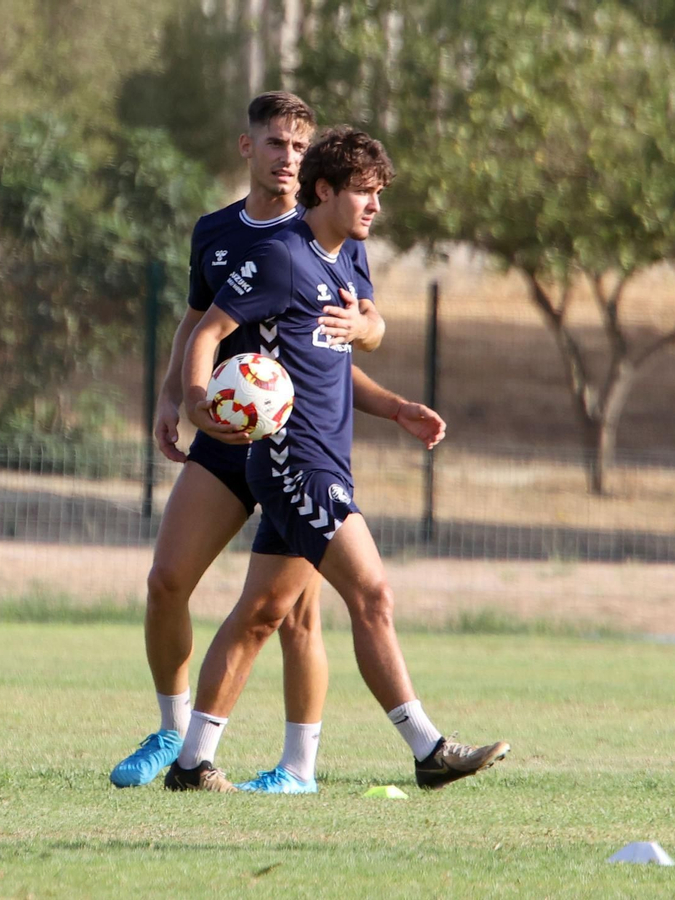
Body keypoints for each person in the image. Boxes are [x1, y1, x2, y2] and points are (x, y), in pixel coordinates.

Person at [110, 92, 446, 794]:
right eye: (276, 144)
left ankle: (296, 767)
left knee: (295, 614)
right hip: (226, 433)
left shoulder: (331, 231)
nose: (288, 158)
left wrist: (373, 341)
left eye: (300, 147)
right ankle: (175, 734)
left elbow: (358, 329)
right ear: (248, 146)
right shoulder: (216, 233)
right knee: (166, 581)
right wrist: (178, 397)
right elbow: (196, 323)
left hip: (294, 443)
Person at [173, 126, 508, 793]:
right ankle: (428, 748)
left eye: (379, 193)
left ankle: (191, 764)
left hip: (326, 458)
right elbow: (207, 330)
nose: (375, 206)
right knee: (373, 593)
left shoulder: (340, 263)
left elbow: (331, 368)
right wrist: (195, 399)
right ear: (323, 190)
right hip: (294, 462)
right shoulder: (281, 258)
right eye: (363, 192)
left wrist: (396, 407)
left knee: (261, 614)